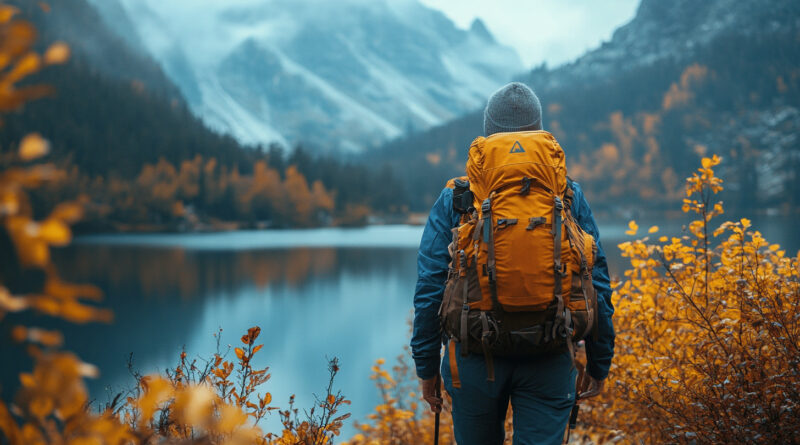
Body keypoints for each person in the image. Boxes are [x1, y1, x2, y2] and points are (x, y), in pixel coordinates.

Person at [411, 82, 615, 445]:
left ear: (489, 131)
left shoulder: (457, 197)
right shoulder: (566, 194)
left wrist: (426, 367)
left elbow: (430, 287)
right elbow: (595, 280)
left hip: (473, 357)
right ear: (538, 129)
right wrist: (600, 361)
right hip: (551, 354)